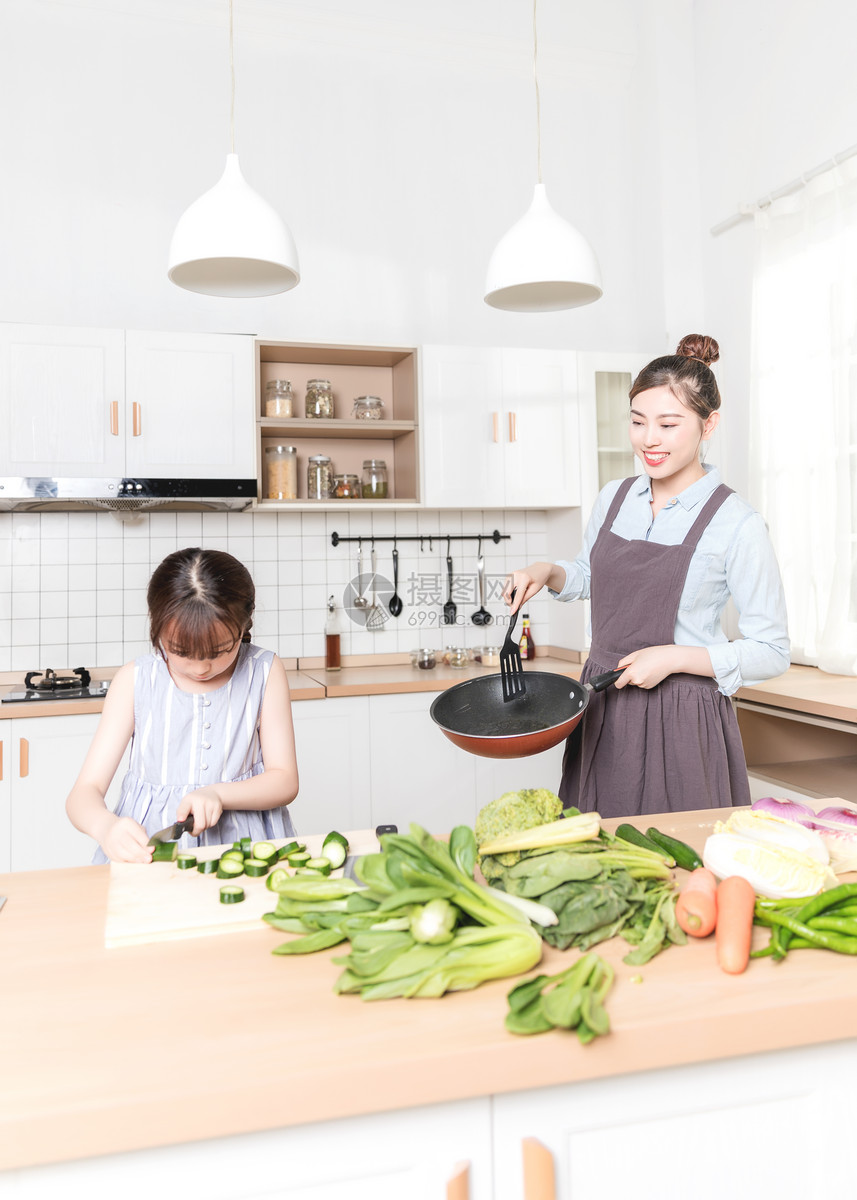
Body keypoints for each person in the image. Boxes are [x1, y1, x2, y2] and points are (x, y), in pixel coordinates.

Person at [503, 334, 790, 818]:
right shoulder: (615, 496)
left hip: (682, 714)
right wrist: (547, 571)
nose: (648, 440)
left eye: (668, 424)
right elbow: (592, 576)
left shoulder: (736, 523)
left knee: (678, 859)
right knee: (597, 857)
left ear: (708, 424)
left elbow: (772, 650)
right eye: (638, 422)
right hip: (601, 705)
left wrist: (675, 658)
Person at [67, 548, 299, 863]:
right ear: (157, 628)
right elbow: (84, 793)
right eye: (180, 651)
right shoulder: (135, 680)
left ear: (244, 626)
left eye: (219, 650)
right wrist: (105, 827)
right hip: (148, 851)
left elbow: (284, 779)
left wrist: (218, 794)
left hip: (243, 848)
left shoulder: (264, 670)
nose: (201, 667)